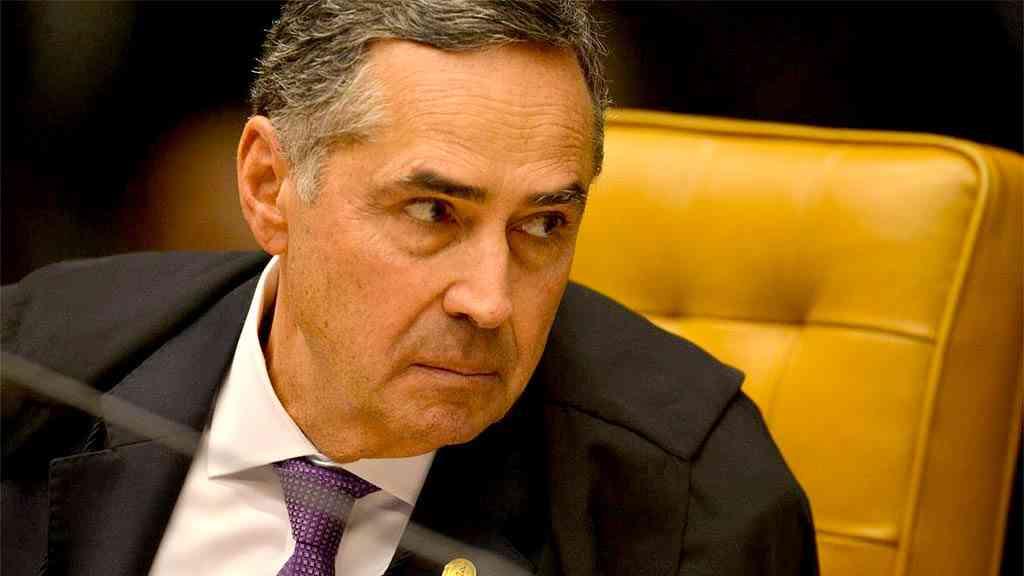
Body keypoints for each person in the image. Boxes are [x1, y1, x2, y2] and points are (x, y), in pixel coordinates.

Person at [1, 1, 818, 574]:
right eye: (433, 213)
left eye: (543, 225)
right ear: (269, 187)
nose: (490, 300)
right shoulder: (33, 366)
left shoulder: (692, 501)